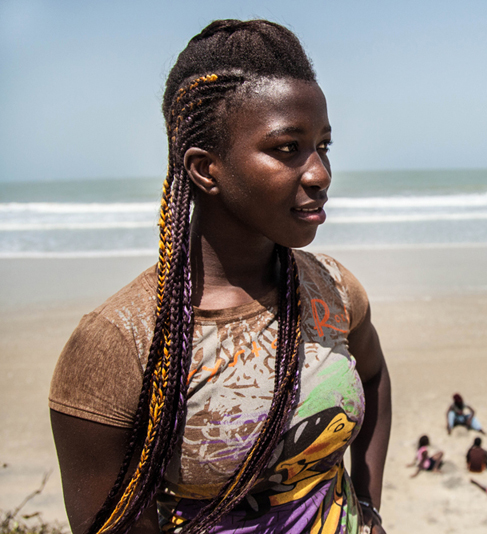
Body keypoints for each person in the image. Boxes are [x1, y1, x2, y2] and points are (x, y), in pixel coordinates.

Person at [49, 20, 391, 534]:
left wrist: (369, 507)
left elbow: (374, 376)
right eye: (287, 148)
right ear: (206, 169)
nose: (320, 173)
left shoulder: (332, 288)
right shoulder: (119, 342)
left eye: (323, 145)